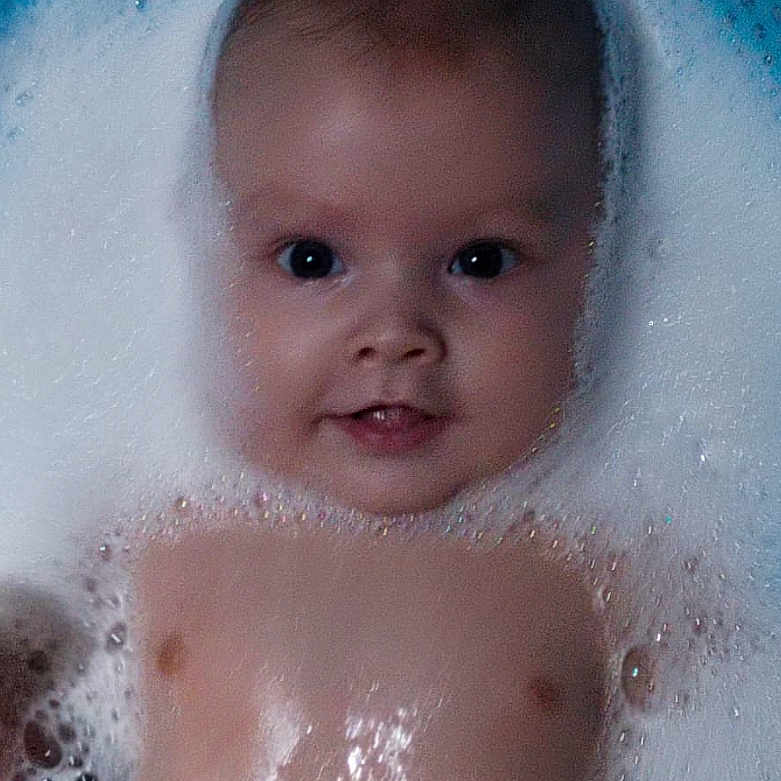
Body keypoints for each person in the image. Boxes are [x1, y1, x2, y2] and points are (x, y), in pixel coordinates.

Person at [137, 1, 616, 779]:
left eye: (481, 261)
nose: (394, 331)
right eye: (311, 260)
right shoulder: (158, 543)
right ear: (205, 255)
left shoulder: (603, 580)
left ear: (598, 267)